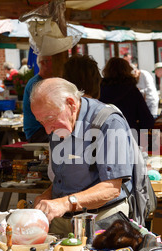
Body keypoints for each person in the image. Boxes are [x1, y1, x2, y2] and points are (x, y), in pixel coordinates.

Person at [30, 77, 135, 236]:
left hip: (102, 219)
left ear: (71, 104)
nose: (47, 130)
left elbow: (112, 188)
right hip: (63, 218)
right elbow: (65, 177)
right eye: (41, 122)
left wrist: (65, 203)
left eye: (50, 119)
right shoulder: (58, 125)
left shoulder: (109, 121)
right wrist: (47, 196)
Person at [99, 57, 155, 133]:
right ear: (127, 70)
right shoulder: (132, 91)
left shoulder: (99, 91)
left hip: (104, 136)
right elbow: (147, 121)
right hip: (129, 135)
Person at [22, 55, 53, 142]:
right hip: (37, 132)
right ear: (43, 63)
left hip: (44, 131)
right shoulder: (36, 84)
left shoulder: (47, 82)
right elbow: (45, 116)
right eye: (54, 61)